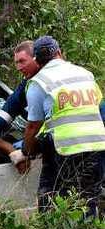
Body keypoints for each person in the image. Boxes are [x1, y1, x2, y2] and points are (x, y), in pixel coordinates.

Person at [22, 35, 105, 217]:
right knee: (88, 201)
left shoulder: (38, 83)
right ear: (59, 52)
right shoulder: (85, 74)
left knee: (61, 203)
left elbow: (33, 126)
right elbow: (98, 106)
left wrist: (27, 150)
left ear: (36, 60)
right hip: (97, 146)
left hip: (67, 150)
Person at [0, 41, 39, 169]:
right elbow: (12, 104)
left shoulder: (43, 81)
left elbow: (36, 125)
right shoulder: (29, 81)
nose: (18, 67)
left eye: (22, 61)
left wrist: (24, 148)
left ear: (36, 58)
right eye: (16, 62)